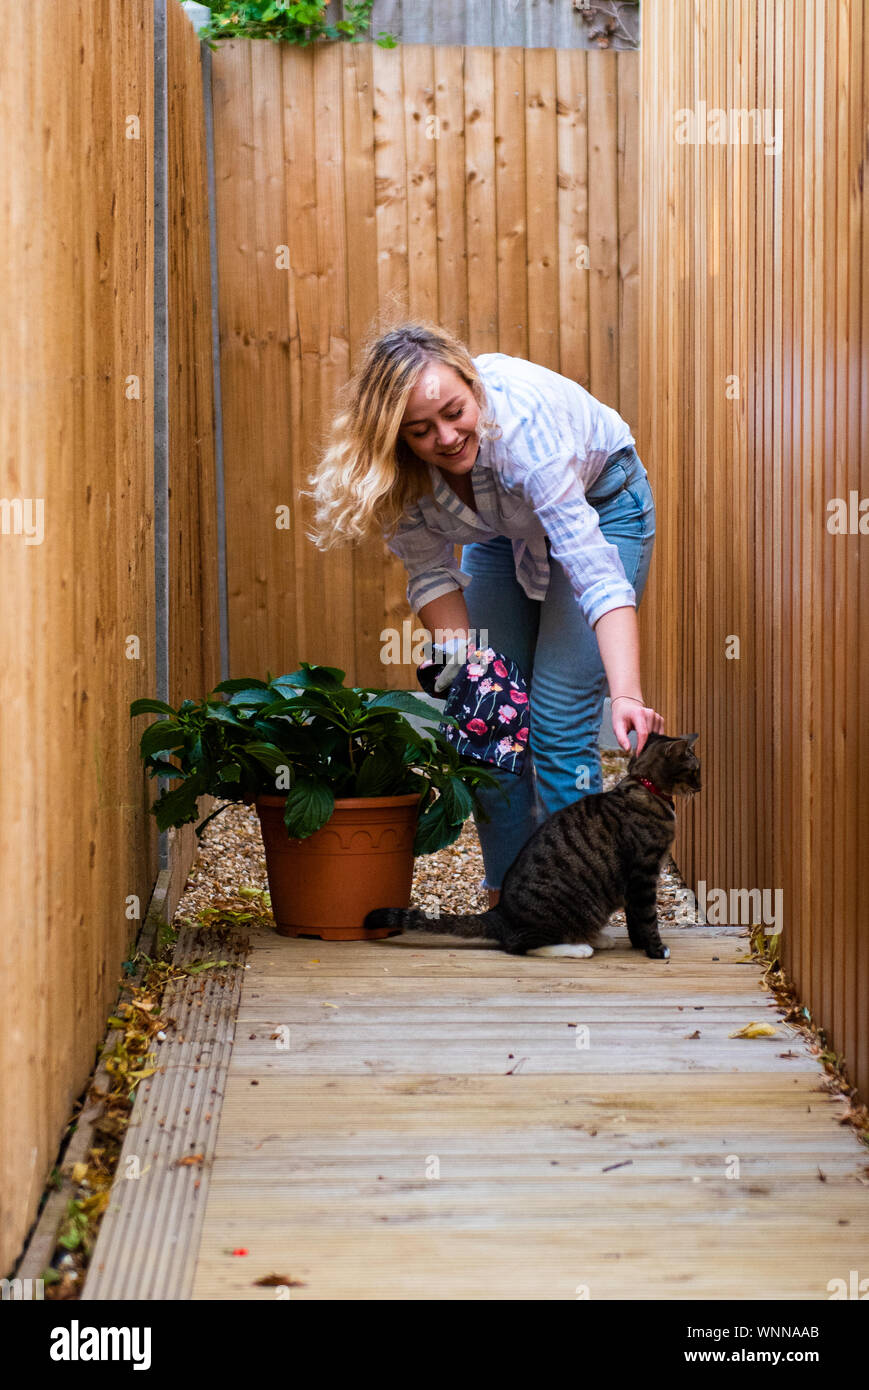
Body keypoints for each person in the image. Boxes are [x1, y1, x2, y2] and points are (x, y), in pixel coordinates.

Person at [305, 320, 664, 908]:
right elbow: (430, 575)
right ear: (395, 438)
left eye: (455, 412)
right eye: (421, 431)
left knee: (557, 720)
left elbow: (595, 574)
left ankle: (571, 904)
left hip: (601, 504)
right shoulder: (395, 478)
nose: (445, 437)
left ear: (474, 389)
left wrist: (625, 695)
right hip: (501, 530)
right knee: (488, 719)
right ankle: (511, 898)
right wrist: (472, 675)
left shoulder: (524, 432)